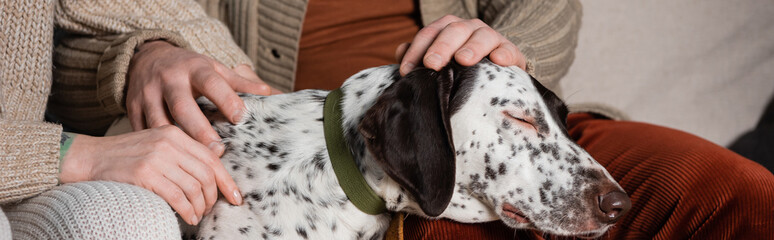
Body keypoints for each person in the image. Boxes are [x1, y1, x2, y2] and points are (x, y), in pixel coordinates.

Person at [2, 0, 772, 239]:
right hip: (320, 158)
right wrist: (146, 54)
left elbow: (545, 9)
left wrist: (511, 53)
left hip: (512, 112)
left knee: (731, 196)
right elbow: (71, 24)